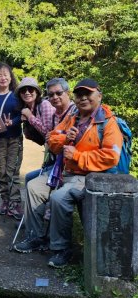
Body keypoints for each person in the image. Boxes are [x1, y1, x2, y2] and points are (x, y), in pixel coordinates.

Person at [41, 78, 122, 268]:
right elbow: (52, 138)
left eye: (88, 94)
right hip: (69, 174)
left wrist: (78, 155)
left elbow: (111, 156)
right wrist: (64, 138)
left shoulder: (108, 123)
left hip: (93, 176)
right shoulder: (73, 117)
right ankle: (47, 241)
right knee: (37, 187)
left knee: (59, 198)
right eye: (79, 95)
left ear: (99, 96)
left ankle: (61, 249)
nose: (83, 98)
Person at [13, 78, 76, 254]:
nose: (54, 97)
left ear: (67, 94)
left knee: (35, 185)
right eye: (52, 94)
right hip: (56, 162)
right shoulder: (56, 113)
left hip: (69, 167)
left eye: (59, 93)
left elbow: (48, 134)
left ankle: (38, 233)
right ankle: (34, 227)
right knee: (30, 179)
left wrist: (31, 118)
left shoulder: (59, 109)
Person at [0, 63, 23, 220]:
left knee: (12, 171)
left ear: (11, 77)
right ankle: (5, 201)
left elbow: (22, 115)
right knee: (2, 172)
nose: (3, 77)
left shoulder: (17, 96)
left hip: (14, 138)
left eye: (5, 74)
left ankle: (15, 203)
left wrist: (12, 123)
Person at [15, 77, 55, 148]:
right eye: (23, 91)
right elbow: (28, 135)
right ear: (20, 94)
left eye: (30, 90)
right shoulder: (26, 108)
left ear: (36, 92)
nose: (27, 93)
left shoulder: (44, 104)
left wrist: (30, 116)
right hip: (49, 146)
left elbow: (48, 133)